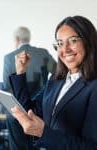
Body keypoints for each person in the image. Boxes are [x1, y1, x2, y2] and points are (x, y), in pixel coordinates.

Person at [10, 16, 97, 150]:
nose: (65, 49)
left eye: (73, 41)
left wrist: (43, 133)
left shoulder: (94, 86)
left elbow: (91, 147)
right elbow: (30, 111)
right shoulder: (56, 80)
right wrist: (20, 73)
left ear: (88, 42)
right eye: (60, 43)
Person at [3, 26, 56, 149]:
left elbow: (6, 85)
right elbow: (58, 73)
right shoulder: (43, 53)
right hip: (42, 110)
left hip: (17, 111)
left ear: (16, 39)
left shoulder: (9, 57)